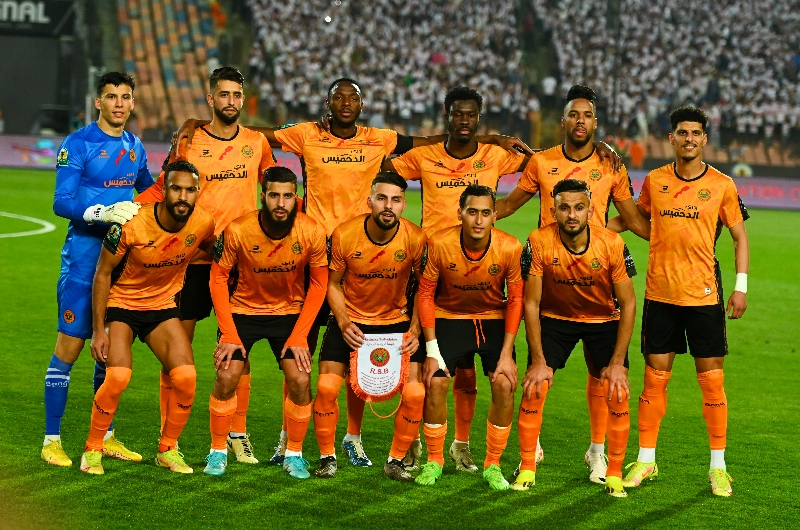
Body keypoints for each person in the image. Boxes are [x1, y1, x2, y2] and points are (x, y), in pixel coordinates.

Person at [174, 77, 532, 469]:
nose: (346, 103)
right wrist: (200, 123)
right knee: (302, 356)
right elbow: (261, 133)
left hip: (368, 256)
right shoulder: (307, 134)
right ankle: (286, 441)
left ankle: (354, 437)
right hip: (314, 255)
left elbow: (425, 140)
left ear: (362, 105)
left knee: (365, 351)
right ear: (327, 103)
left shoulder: (379, 138)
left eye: (353, 98)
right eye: (339, 98)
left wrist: (489, 138)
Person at [495, 85, 647, 482]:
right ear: (562, 121)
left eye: (587, 115)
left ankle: (597, 451)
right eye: (574, 115)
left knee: (601, 375)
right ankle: (531, 448)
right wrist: (464, 217)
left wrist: (676, 236)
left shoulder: (611, 165)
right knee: (538, 371)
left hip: (597, 282)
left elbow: (633, 220)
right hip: (550, 279)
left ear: (596, 123)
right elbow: (508, 205)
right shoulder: (542, 162)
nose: (580, 121)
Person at [382, 85, 527, 472]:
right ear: (446, 116)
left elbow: (538, 169)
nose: (464, 120)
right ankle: (411, 441)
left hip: (476, 268)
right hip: (430, 266)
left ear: (479, 118)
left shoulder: (495, 155)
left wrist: (506, 207)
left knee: (465, 371)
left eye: (471, 115)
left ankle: (460, 445)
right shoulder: (425, 156)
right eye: (457, 114)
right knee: (420, 364)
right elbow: (384, 169)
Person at [135, 67, 275, 465]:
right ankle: (168, 442)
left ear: (242, 99)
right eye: (223, 94)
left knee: (238, 350)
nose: (231, 101)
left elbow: (273, 190)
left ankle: (237, 434)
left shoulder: (256, 143)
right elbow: (164, 189)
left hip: (241, 263)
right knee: (177, 351)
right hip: (193, 260)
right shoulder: (190, 141)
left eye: (236, 95)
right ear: (211, 99)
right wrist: (128, 209)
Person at [621, 106, 749, 497]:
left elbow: (739, 238)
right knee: (653, 380)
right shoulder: (655, 180)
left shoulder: (723, 184)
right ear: (672, 138)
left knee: (712, 383)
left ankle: (718, 467)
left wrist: (741, 287)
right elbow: (636, 220)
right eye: (682, 132)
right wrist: (594, 230)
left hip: (704, 296)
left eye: (695, 133)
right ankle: (646, 460)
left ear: (704, 139)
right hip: (660, 294)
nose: (688, 139)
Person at [43, 72, 153, 467]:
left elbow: (150, 191)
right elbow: (61, 201)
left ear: (133, 102)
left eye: (126, 97)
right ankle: (51, 440)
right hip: (83, 264)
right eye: (112, 97)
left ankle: (105, 436)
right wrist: (100, 212)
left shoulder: (134, 146)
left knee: (109, 354)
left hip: (121, 265)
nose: (119, 104)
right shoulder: (78, 144)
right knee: (69, 349)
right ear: (98, 102)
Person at [80, 161, 216, 475]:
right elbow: (102, 274)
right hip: (123, 304)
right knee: (117, 377)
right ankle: (93, 449)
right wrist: (98, 330)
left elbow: (217, 249)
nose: (183, 196)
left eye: (190, 190)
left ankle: (167, 449)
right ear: (163, 190)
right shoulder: (131, 223)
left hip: (161, 306)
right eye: (176, 188)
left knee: (186, 378)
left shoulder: (203, 222)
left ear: (198, 192)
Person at [515, 178, 637, 497]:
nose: (572, 214)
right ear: (553, 211)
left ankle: (607, 466)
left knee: (616, 389)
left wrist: (617, 363)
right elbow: (531, 302)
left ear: (590, 211)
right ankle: (527, 466)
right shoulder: (538, 241)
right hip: (556, 318)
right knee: (535, 385)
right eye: (565, 208)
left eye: (579, 208)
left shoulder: (611, 243)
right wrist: (538, 361)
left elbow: (628, 303)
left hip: (603, 320)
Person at [203, 167, 328, 478]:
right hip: (242, 311)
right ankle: (217, 451)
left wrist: (299, 335)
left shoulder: (312, 231)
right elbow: (217, 279)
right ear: (263, 196)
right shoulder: (238, 230)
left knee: (300, 381)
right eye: (274, 195)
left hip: (289, 314)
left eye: (288, 196)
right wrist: (229, 333)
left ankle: (294, 454)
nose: (281, 203)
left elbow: (319, 284)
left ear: (296, 198)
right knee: (227, 377)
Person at [312, 172, 427, 481]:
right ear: (370, 201)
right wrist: (343, 321)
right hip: (352, 321)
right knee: (326, 388)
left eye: (396, 200)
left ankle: (395, 461)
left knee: (416, 394)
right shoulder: (345, 234)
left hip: (397, 323)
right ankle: (327, 458)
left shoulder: (416, 238)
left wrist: (416, 329)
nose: (388, 206)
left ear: (404, 204)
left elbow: (424, 288)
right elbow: (332, 284)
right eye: (381, 198)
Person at [415, 184, 523, 491]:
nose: (478, 220)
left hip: (492, 318)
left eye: (485, 213)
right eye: (472, 212)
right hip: (448, 316)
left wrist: (507, 354)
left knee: (504, 383)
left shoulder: (510, 247)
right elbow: (425, 294)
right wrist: (432, 349)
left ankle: (493, 464)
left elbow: (516, 299)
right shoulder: (440, 242)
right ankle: (434, 460)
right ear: (460, 213)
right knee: (435, 380)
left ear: (494, 216)